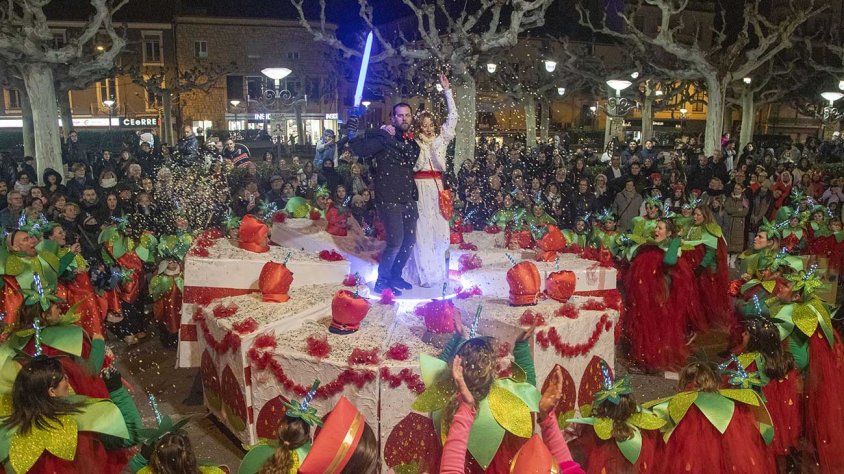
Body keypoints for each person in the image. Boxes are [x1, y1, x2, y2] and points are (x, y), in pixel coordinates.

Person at [349, 102, 420, 295]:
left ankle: (395, 275)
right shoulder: (384, 138)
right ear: (393, 118)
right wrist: (356, 126)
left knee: (409, 241)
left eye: (407, 115)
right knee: (395, 242)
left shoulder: (410, 142)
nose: (404, 118)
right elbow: (359, 149)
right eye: (399, 115)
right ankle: (382, 281)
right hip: (388, 198)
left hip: (408, 198)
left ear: (411, 118)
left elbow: (411, 159)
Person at [624, 218, 699, 372]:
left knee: (655, 327)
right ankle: (646, 360)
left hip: (661, 295)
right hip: (647, 296)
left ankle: (651, 362)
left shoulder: (672, 249)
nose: (656, 230)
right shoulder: (653, 247)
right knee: (645, 326)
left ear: (669, 233)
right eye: (656, 227)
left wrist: (675, 242)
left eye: (661, 228)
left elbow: (669, 261)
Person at [405, 74, 456, 288]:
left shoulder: (441, 139)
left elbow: (453, 117)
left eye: (431, 123)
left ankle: (437, 272)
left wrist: (447, 92)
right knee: (422, 230)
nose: (428, 127)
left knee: (440, 232)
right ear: (419, 126)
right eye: (424, 124)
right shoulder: (413, 142)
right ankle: (423, 274)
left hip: (437, 188)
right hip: (419, 188)